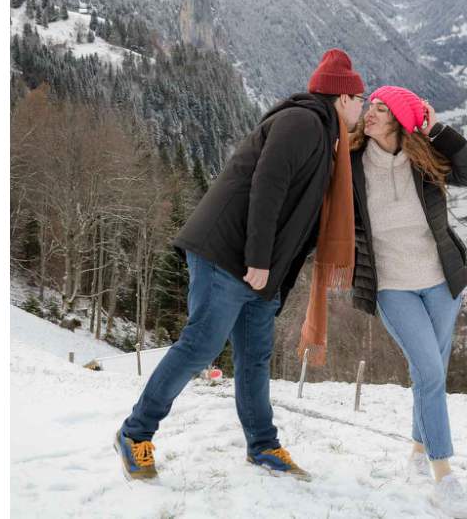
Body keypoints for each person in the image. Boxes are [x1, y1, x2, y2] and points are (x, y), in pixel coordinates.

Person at [114, 48, 368, 482]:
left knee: (253, 358)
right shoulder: (302, 121)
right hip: (229, 254)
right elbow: (268, 185)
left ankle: (263, 446)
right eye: (361, 98)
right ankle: (135, 432)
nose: (362, 107)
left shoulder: (325, 137)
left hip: (259, 270)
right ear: (343, 98)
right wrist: (258, 258)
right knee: (201, 345)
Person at [348, 85, 467, 517]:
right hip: (392, 286)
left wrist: (438, 129)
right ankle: (443, 476)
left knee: (430, 372)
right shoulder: (351, 164)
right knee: (429, 369)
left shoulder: (423, 158)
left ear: (401, 120)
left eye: (380, 108)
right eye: (369, 106)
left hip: (442, 282)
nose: (370, 113)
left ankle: (415, 449)